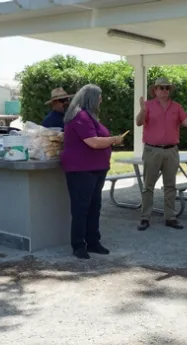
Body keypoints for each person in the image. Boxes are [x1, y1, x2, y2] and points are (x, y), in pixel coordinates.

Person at [135, 77, 187, 231]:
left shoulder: (176, 107)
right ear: (155, 90)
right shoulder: (148, 105)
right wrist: (142, 111)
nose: (165, 90)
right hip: (152, 150)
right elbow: (138, 122)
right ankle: (145, 218)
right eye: (161, 88)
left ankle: (170, 217)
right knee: (148, 186)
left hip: (171, 150)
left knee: (170, 186)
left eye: (167, 88)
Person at [61, 84, 124, 259]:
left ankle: (93, 241)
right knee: (81, 208)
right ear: (92, 98)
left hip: (96, 168)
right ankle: (78, 244)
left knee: (94, 207)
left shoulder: (90, 117)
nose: (101, 100)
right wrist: (114, 140)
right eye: (99, 96)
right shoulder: (80, 116)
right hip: (81, 169)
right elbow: (93, 142)